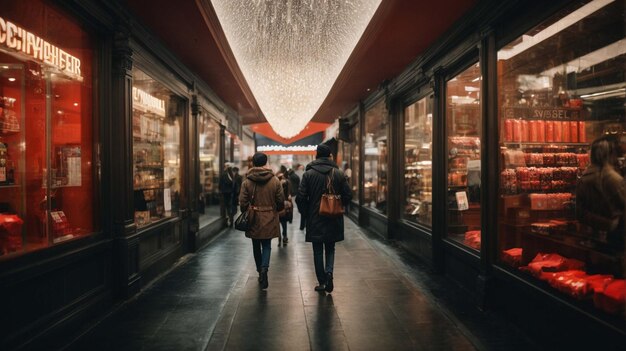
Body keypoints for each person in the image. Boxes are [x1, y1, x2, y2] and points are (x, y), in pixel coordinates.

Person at [296, 144, 351, 293]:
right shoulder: (338, 174)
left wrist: (306, 212)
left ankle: (321, 282)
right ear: (330, 156)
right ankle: (329, 273)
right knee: (330, 248)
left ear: (316, 156)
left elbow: (300, 197)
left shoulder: (308, 174)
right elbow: (348, 195)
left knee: (317, 249)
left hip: (315, 217)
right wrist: (339, 206)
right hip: (334, 217)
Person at [239, 152, 284, 289]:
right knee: (267, 245)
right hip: (270, 215)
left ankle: (260, 270)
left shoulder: (247, 182)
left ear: (253, 163)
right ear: (265, 163)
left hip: (254, 217)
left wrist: (247, 211)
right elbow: (280, 200)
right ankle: (265, 269)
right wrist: (276, 209)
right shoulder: (275, 180)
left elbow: (242, 202)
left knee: (255, 245)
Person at [576, 135, 626, 252]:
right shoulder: (611, 178)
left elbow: (580, 213)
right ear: (609, 154)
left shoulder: (585, 176)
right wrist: (612, 224)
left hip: (593, 238)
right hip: (615, 239)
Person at [276, 172, 293, 245]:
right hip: (284, 205)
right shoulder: (287, 183)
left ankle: (279, 237)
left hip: (277, 206)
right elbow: (289, 194)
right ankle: (284, 236)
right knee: (283, 222)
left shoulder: (275, 184)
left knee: (278, 223)